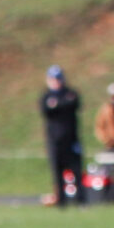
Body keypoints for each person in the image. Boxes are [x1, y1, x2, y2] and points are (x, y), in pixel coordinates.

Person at [39, 66, 83, 206]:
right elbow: (46, 110)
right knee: (57, 173)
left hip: (71, 140)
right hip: (54, 141)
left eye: (58, 79)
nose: (56, 82)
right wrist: (62, 104)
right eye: (53, 79)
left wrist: (57, 105)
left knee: (76, 171)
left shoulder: (70, 93)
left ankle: (81, 201)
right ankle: (61, 202)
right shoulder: (46, 96)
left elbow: (74, 103)